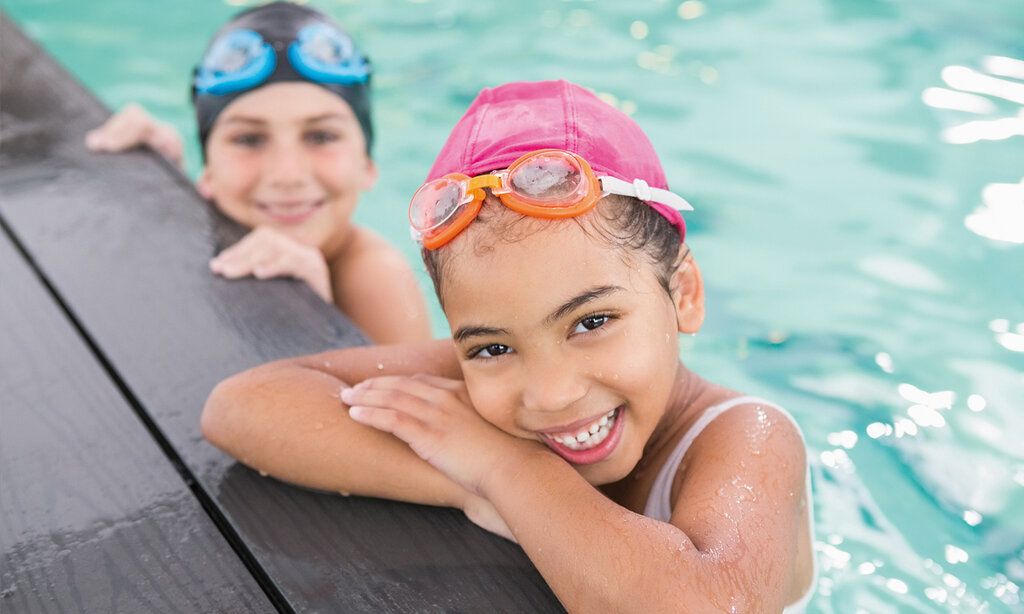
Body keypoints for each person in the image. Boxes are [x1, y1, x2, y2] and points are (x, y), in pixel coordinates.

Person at [202, 80, 816, 611]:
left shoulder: (745, 437)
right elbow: (244, 406)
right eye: (492, 348)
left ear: (682, 293)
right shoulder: (486, 376)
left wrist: (507, 470)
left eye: (592, 321)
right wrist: (471, 480)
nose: (551, 393)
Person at [86, 2, 430, 344]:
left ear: (366, 165)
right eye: (249, 139)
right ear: (208, 173)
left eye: (321, 136)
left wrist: (314, 319)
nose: (288, 175)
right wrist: (164, 184)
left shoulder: (376, 276)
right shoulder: (216, 219)